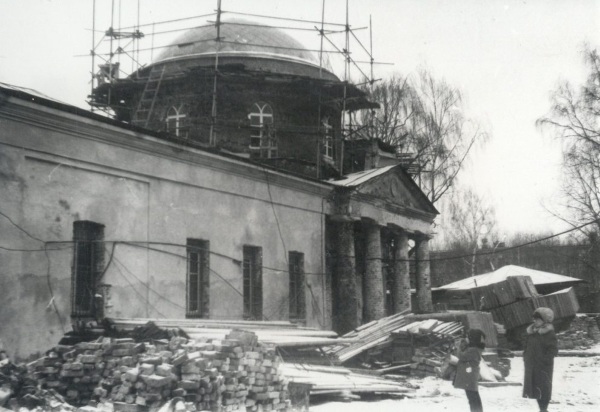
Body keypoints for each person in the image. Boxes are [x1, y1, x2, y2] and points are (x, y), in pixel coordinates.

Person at [523, 307, 559, 412]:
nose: (535, 321)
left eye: (538, 319)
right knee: (535, 389)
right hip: (532, 365)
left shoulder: (549, 333)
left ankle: (544, 409)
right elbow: (527, 346)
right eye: (534, 319)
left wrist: (545, 360)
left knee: (544, 388)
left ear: (544, 321)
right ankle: (541, 409)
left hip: (543, 367)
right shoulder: (532, 333)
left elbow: (553, 350)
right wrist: (525, 356)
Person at [453, 328, 486, 412]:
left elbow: (461, 356)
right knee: (474, 396)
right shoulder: (475, 348)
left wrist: (458, 347)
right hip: (470, 376)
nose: (467, 338)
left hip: (469, 377)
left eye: (469, 337)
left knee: (472, 398)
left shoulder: (473, 350)